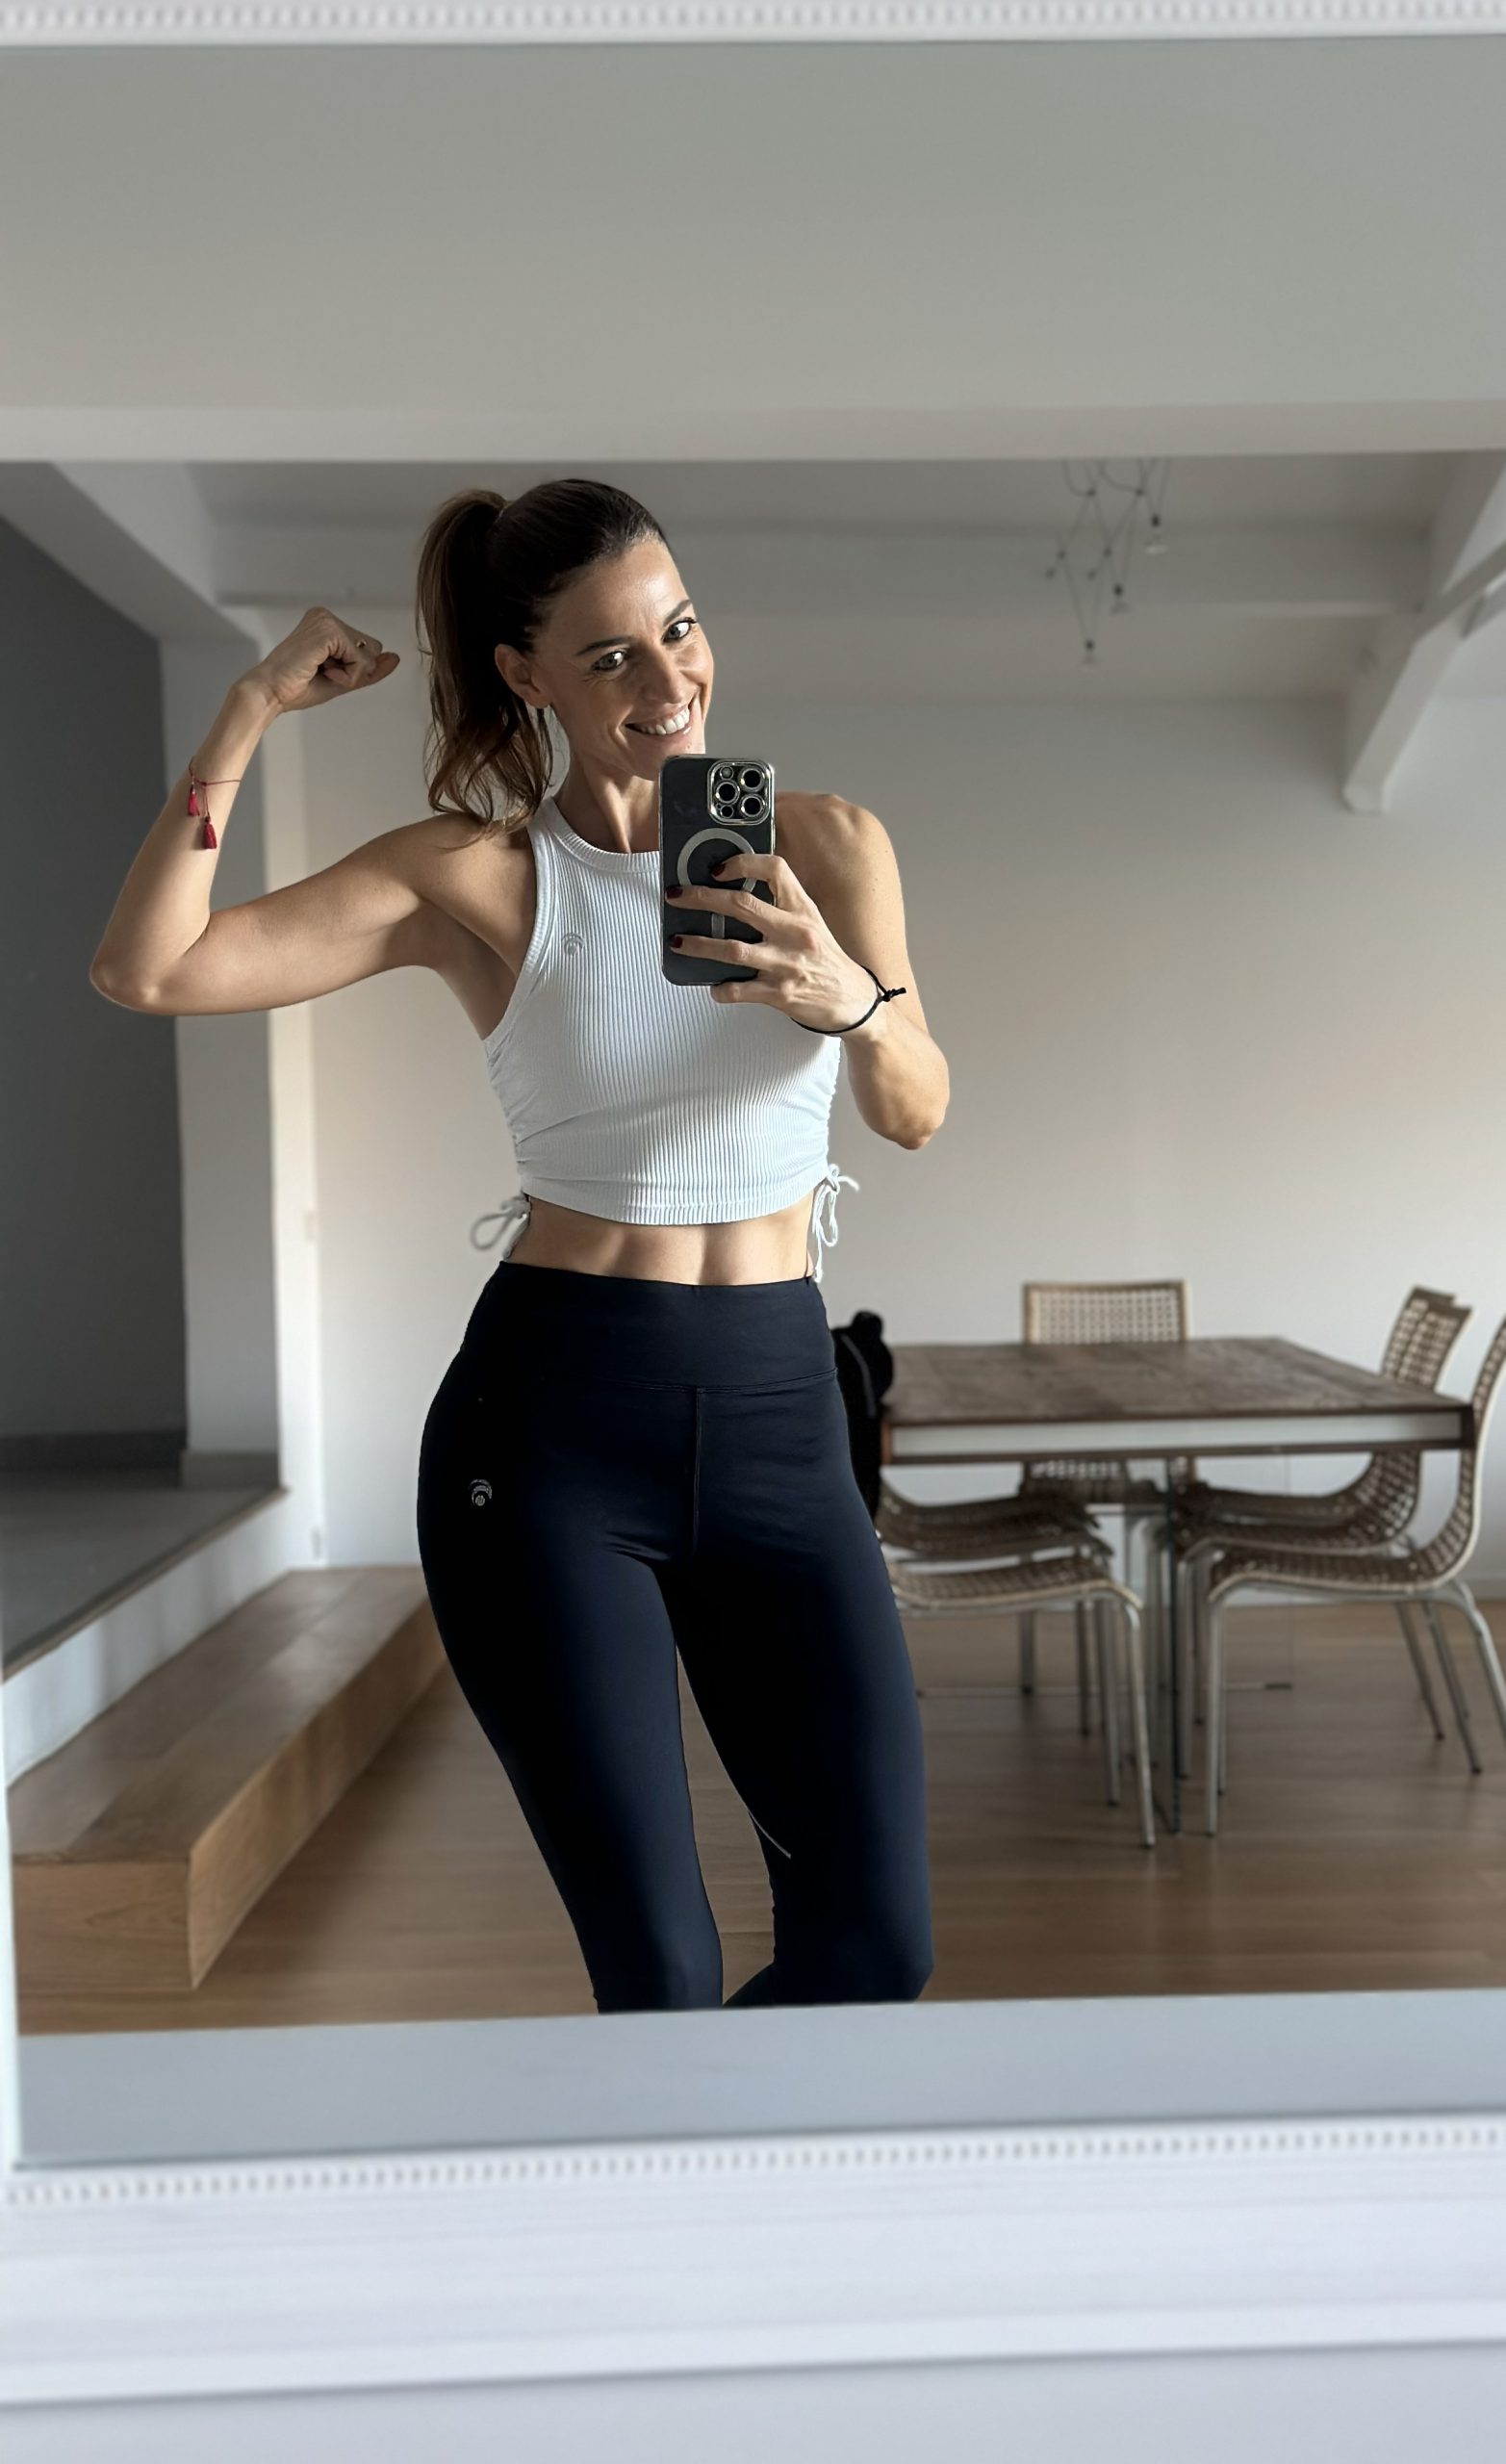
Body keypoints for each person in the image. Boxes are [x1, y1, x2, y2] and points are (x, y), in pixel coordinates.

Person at [89, 476, 949, 2015]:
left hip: (780, 1414)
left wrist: (852, 1002)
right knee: (658, 1979)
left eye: (679, 630)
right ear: (523, 674)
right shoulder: (474, 877)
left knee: (876, 1950)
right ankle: (665, 2167)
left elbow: (916, 1111)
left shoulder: (828, 843)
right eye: (611, 655)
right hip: (553, 1438)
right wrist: (246, 710)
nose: (669, 679)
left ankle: (717, 2150)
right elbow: (147, 970)